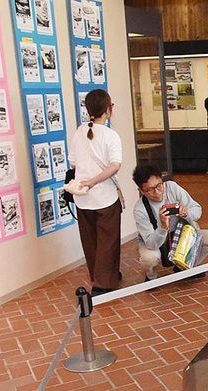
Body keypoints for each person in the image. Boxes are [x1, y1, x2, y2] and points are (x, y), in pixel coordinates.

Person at [68, 89, 123, 297]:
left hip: (82, 197)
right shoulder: (110, 135)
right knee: (108, 240)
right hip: (104, 196)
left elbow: (73, 161)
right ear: (108, 110)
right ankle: (104, 283)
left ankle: (98, 278)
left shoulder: (78, 132)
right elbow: (115, 166)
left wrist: (88, 181)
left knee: (90, 241)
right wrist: (94, 181)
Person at [132, 164, 208, 282]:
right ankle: (151, 277)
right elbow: (151, 244)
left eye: (159, 186)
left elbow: (197, 209)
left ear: (162, 181)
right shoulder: (140, 209)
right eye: (150, 190)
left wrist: (186, 213)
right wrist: (163, 226)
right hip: (155, 241)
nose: (157, 192)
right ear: (141, 191)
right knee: (150, 258)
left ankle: (183, 268)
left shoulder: (172, 188)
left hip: (180, 234)